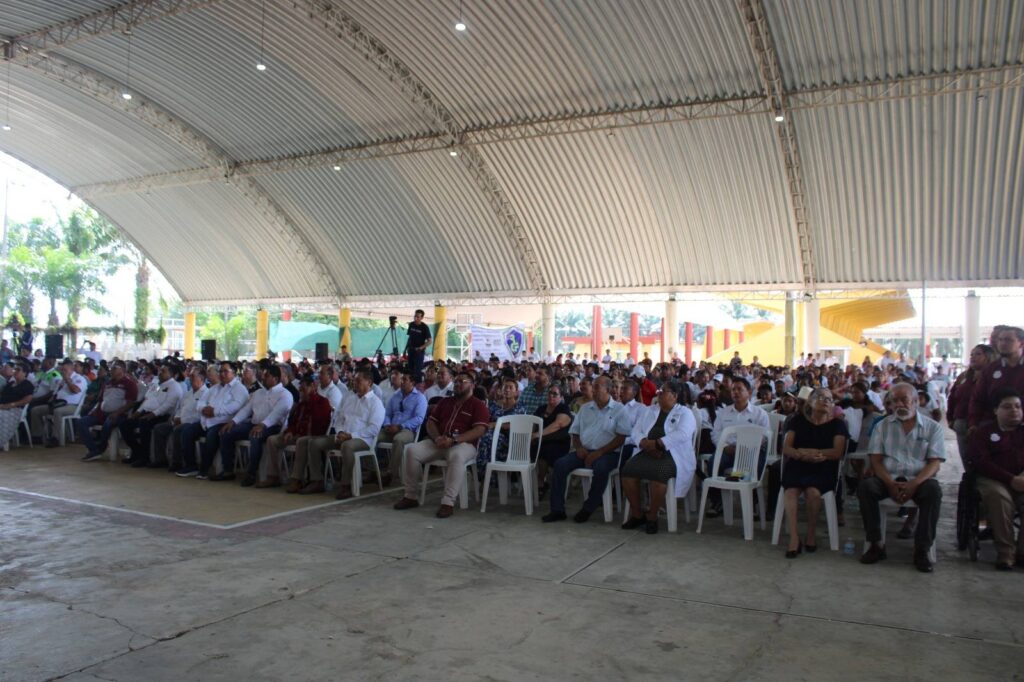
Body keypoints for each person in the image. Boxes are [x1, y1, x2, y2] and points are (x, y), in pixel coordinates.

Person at [858, 383, 945, 572]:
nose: (899, 404)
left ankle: (922, 549)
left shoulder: (933, 428)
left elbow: (934, 463)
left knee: (933, 492)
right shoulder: (882, 426)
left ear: (916, 401)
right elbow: (876, 460)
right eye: (894, 401)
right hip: (888, 477)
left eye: (904, 400)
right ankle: (876, 544)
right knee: (866, 488)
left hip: (919, 479)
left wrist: (915, 483)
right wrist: (889, 483)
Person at [393, 370, 489, 518]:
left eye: (462, 382)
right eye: (456, 381)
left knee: (456, 455)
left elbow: (479, 430)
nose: (457, 384)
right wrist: (437, 437)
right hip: (439, 441)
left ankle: (448, 502)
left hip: (464, 444)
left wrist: (455, 440)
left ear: (472, 385)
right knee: (411, 450)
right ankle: (410, 496)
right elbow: (431, 423)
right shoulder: (445, 402)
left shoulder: (478, 405)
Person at [543, 375, 631, 524]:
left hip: (608, 453)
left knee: (601, 468)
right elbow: (575, 432)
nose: (593, 390)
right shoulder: (585, 408)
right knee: (560, 464)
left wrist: (600, 452)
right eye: (593, 386)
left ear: (608, 390)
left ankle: (589, 507)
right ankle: (557, 510)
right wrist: (578, 448)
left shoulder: (619, 410)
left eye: (597, 387)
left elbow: (621, 438)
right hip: (584, 451)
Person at [620, 380, 697, 534]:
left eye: (663, 391)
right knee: (628, 470)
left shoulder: (685, 413)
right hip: (647, 451)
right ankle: (637, 514)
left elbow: (683, 434)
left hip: (672, 455)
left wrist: (658, 444)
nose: (659, 394)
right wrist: (643, 443)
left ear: (674, 395)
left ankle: (652, 516)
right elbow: (636, 430)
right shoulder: (650, 410)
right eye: (659, 391)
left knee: (658, 473)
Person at [779, 388, 848, 557]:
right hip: (798, 464)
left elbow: (837, 452)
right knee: (790, 492)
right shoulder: (797, 420)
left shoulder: (838, 424)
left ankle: (811, 534)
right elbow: (787, 447)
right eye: (820, 397)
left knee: (813, 492)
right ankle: (794, 538)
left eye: (829, 399)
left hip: (823, 466)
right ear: (810, 401)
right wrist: (800, 454)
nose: (825, 401)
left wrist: (815, 453)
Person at [970, 389, 1024, 570]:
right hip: (993, 479)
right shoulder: (983, 433)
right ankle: (1006, 552)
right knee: (999, 497)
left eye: (1017, 406)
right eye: (1007, 407)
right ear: (996, 410)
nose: (1014, 410)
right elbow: (981, 462)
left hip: (1022, 479)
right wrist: (1010, 479)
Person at [215, 365, 294, 485]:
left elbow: (277, 414)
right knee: (227, 432)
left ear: (276, 379)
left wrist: (263, 425)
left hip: (273, 427)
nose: (263, 378)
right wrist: (233, 421)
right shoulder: (259, 392)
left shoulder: (285, 394)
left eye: (266, 376)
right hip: (254, 424)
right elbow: (246, 410)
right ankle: (228, 470)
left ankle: (251, 473)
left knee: (255, 436)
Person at [319, 368, 385, 499]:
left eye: (359, 381)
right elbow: (339, 419)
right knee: (315, 443)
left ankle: (346, 486)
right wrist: (340, 431)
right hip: (343, 435)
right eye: (354, 381)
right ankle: (316, 480)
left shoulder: (376, 403)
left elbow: (374, 429)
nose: (355, 383)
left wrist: (351, 436)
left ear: (369, 383)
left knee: (347, 446)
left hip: (363, 440)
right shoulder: (350, 398)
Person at [260, 374, 333, 488]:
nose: (301, 392)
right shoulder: (301, 405)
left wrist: (310, 400)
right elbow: (293, 422)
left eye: (304, 389)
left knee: (301, 441)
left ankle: (296, 478)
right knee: (272, 440)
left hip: (313, 435)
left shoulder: (322, 402)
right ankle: (273, 476)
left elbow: (319, 424)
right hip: (296, 434)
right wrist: (290, 431)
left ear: (313, 386)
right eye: (300, 390)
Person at [179, 362, 248, 478]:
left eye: (225, 371)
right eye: (220, 371)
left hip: (224, 422)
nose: (222, 374)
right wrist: (203, 409)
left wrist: (215, 411)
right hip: (206, 420)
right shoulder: (215, 388)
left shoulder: (239, 389)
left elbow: (236, 406)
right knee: (187, 431)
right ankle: (191, 466)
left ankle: (205, 469)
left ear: (234, 373)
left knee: (211, 435)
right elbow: (201, 402)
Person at [120, 364, 183, 466]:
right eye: (160, 370)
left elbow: (168, 405)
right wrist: (137, 412)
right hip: (147, 412)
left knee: (144, 424)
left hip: (163, 416)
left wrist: (152, 415)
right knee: (125, 424)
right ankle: (137, 451)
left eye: (163, 371)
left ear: (171, 374)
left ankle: (145, 457)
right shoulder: (156, 384)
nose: (160, 373)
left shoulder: (174, 386)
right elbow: (147, 400)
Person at [377, 368, 427, 487]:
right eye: (402, 379)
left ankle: (391, 473)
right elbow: (387, 414)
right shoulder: (395, 396)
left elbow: (419, 418)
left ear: (412, 382)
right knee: (373, 436)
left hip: (407, 430)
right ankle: (372, 470)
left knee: (398, 440)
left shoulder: (419, 398)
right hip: (391, 428)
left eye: (405, 379)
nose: (402, 381)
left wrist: (400, 426)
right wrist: (387, 424)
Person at [78, 363, 139, 462]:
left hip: (119, 414)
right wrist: (95, 410)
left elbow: (131, 403)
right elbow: (101, 400)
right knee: (81, 422)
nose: (111, 371)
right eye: (112, 369)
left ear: (122, 371)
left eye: (115, 369)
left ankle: (101, 448)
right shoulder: (107, 384)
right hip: (101, 413)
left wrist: (117, 413)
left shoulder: (129, 384)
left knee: (108, 423)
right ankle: (93, 449)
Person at [968, 326, 1024, 430]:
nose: (1002, 343)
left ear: (1021, 343)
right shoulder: (991, 369)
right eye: (1000, 340)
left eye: (1008, 340)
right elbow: (977, 398)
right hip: (992, 425)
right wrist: (973, 423)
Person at [948, 343, 997, 461]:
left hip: (983, 424)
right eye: (971, 355)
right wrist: (950, 418)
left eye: (978, 354)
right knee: (966, 458)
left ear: (988, 357)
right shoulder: (963, 376)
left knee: (983, 459)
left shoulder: (993, 377)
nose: (973, 357)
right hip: (961, 422)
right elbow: (953, 397)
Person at [156, 368, 208, 471]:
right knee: (159, 428)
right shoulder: (188, 393)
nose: (190, 378)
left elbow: (200, 414)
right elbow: (180, 408)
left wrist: (182, 420)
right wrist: (177, 417)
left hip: (193, 423)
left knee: (178, 430)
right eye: (190, 376)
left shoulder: (206, 393)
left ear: (201, 378)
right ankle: (161, 459)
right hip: (180, 420)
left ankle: (178, 462)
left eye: (193, 376)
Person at [32, 358, 88, 447]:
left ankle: (56, 438)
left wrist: (68, 381)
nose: (62, 372)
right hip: (57, 403)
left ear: (72, 369)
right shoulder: (62, 380)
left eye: (65, 370)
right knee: (36, 410)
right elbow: (55, 392)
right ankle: (38, 436)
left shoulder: (79, 379)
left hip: (72, 406)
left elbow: (75, 390)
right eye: (62, 370)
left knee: (57, 412)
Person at [475, 378, 526, 474]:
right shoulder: (494, 405)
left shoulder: (520, 407)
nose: (507, 390)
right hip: (490, 438)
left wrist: (496, 424)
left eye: (510, 387)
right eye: (505, 387)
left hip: (510, 441)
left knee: (486, 438)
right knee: (483, 437)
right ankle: (484, 474)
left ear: (516, 392)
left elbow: (518, 424)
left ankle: (484, 475)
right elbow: (486, 420)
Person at [531, 383, 573, 497]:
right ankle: (533, 481)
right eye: (549, 393)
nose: (551, 396)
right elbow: (533, 424)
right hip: (540, 441)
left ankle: (541, 482)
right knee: (530, 448)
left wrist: (538, 435)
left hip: (559, 443)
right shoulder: (541, 408)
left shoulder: (563, 408)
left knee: (544, 450)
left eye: (555, 394)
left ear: (561, 397)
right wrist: (531, 435)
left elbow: (558, 424)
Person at [0, 362, 34, 446]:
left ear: (25, 373)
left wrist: (10, 405)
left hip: (15, 410)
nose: (15, 371)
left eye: (18, 370)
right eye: (14, 369)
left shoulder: (27, 384)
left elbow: (27, 399)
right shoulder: (10, 384)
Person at [406, 309, 432, 383]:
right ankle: (410, 385)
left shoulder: (424, 327)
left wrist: (421, 348)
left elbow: (430, 341)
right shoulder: (411, 324)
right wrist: (405, 349)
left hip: (419, 352)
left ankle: (418, 386)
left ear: (422, 318)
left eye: (418, 317)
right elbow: (409, 338)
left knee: (417, 371)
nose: (415, 318)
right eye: (415, 316)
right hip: (411, 350)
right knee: (410, 369)